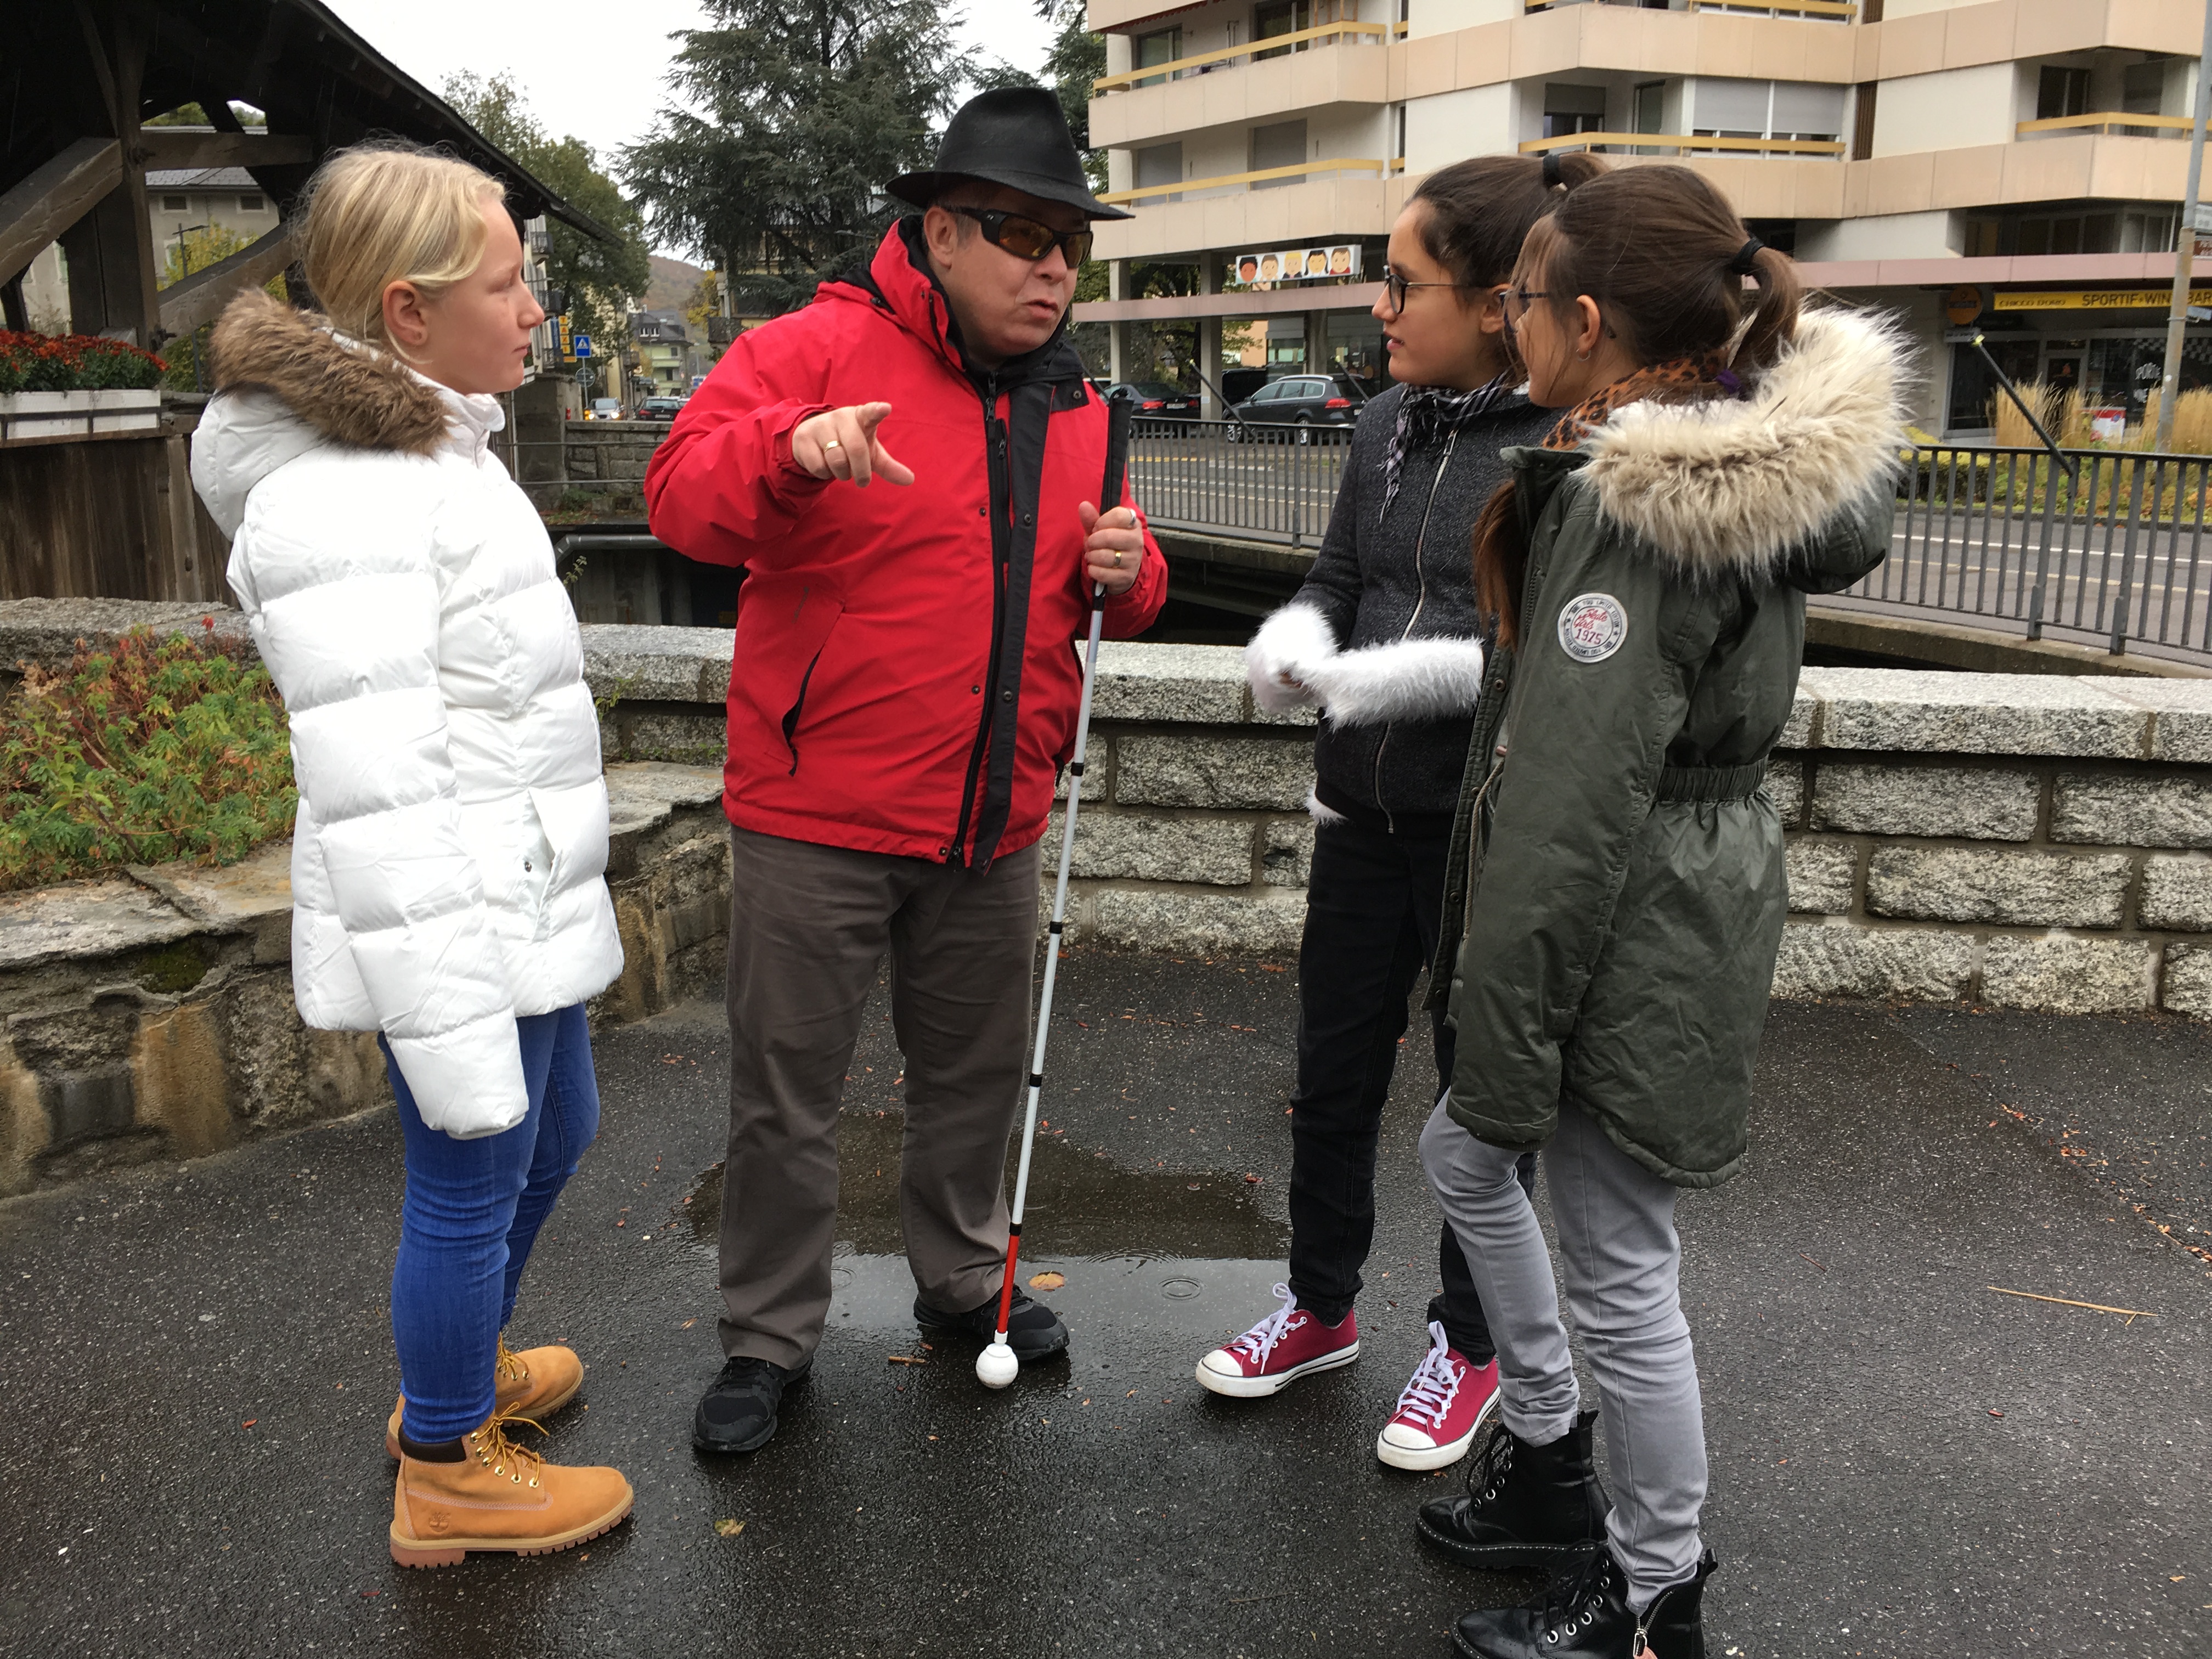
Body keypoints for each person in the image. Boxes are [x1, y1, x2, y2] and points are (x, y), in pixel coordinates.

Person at [1414, 166, 1909, 1657]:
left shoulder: (1638, 506)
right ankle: (1562, 1459)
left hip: (1632, 901)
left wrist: (1499, 1027)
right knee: (1471, 1158)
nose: (1504, 321)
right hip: (1686, 885)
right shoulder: (1701, 464)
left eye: (1520, 300)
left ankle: (1650, 1592)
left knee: (1617, 1255)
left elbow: (1569, 800)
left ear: (1584, 320)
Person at [644, 88, 1167, 1455]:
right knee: (786, 1096)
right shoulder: (813, 348)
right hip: (820, 812)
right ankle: (767, 1337)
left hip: (995, 818)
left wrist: (1141, 571)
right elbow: (680, 495)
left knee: (975, 1080)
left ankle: (958, 1281)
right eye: (1023, 233)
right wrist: (787, 451)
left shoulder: (1082, 408)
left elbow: (1113, 570)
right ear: (940, 232)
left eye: (1072, 243)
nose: (1053, 265)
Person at [190, 142, 633, 1567]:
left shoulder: (435, 450)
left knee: (555, 1135)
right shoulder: (353, 497)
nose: (533, 311)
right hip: (457, 918)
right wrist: (445, 1015)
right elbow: (378, 784)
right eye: (508, 284)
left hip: (517, 894)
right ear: (404, 313)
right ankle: (444, 1462)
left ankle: (461, 1372)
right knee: (471, 1168)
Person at [1197, 156, 1602, 1472]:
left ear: (1496, 303)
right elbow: (1335, 577)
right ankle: (1317, 1309)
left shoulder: (1565, 442)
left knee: (1477, 1103)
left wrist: (1374, 682)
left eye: (1399, 279)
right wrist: (1294, 639)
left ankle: (1469, 1345)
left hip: (1483, 830)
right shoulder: (1379, 428)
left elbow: (1542, 653)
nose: (1378, 305)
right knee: (1332, 1078)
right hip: (1358, 818)